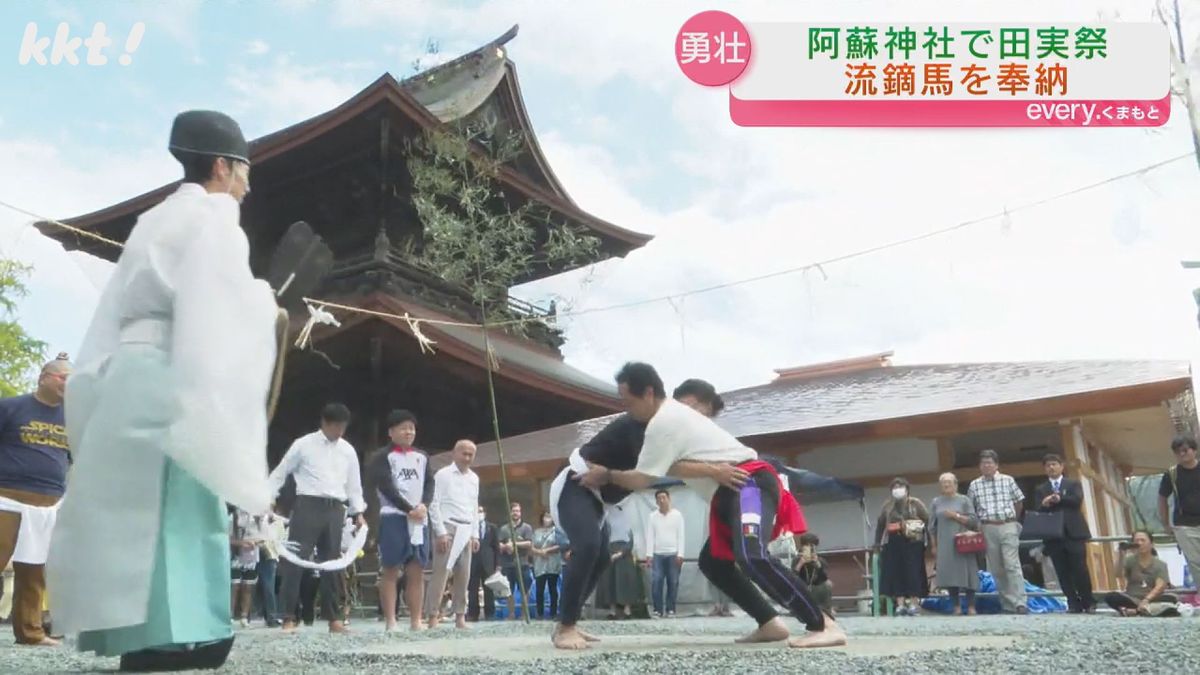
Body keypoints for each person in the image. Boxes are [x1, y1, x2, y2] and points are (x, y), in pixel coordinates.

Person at [48, 110, 278, 672]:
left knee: (131, 511)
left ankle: (139, 635)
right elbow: (212, 304)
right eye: (244, 169)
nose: (248, 183)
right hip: (173, 369)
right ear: (223, 166)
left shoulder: (154, 219)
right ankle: (181, 638)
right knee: (178, 507)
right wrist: (267, 304)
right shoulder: (217, 216)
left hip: (128, 374)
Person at [580, 362, 845, 649]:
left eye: (628, 402)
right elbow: (672, 466)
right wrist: (711, 470)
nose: (626, 409)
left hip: (748, 482)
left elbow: (642, 478)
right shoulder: (668, 421)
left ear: (648, 393)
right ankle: (769, 622)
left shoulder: (663, 423)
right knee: (713, 562)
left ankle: (823, 623)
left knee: (751, 556)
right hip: (726, 495)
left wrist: (606, 474)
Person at [546, 376, 732, 649]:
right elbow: (664, 467)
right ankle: (566, 627)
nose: (691, 418)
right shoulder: (649, 420)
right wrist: (716, 470)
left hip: (601, 502)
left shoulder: (681, 436)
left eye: (701, 417)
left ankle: (566, 621)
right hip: (578, 482)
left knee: (599, 557)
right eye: (690, 409)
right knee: (587, 545)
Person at [269, 403, 367, 634]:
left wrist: (358, 511)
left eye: (343, 427)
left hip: (336, 508)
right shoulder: (303, 445)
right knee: (295, 561)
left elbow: (354, 484)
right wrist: (269, 497)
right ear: (324, 423)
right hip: (308, 504)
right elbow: (281, 471)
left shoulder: (347, 450)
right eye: (335, 426)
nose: (339, 432)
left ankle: (334, 618)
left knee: (333, 563)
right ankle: (288, 617)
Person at [0, 353, 71, 647]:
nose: (69, 385)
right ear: (44, 377)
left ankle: (30, 632)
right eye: (63, 378)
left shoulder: (73, 416)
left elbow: (74, 456)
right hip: (7, 499)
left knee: (34, 571)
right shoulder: (11, 407)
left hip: (48, 503)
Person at [366, 410, 433, 632]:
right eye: (403, 428)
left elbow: (429, 484)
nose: (408, 432)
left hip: (419, 519)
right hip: (394, 517)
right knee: (391, 569)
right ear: (391, 432)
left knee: (416, 569)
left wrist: (424, 504)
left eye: (412, 428)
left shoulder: (422, 457)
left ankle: (416, 620)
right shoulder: (382, 457)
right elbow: (386, 486)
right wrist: (407, 508)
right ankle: (391, 621)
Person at [424, 439, 479, 630]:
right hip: (447, 526)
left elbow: (474, 507)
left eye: (471, 454)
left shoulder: (474, 478)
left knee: (464, 575)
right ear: (454, 453)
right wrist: (440, 532)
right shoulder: (443, 475)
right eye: (463, 453)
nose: (467, 457)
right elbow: (434, 503)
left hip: (466, 527)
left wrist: (475, 534)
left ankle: (460, 616)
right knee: (441, 573)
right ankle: (432, 615)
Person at [966, 449, 1028, 614]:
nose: (986, 466)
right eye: (983, 463)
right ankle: (1007, 603)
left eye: (989, 463)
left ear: (996, 464)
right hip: (987, 526)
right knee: (996, 567)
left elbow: (1018, 502)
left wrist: (1013, 520)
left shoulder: (1007, 480)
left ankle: (1020, 602)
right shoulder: (974, 485)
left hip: (1007, 523)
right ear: (979, 466)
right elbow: (971, 508)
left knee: (1012, 564)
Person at [1032, 453, 1094, 613]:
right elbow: (1037, 509)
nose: (1051, 467)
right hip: (1054, 535)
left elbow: (1077, 501)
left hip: (1074, 532)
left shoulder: (1072, 484)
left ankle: (1088, 601)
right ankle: (1073, 603)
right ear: (1045, 469)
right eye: (1048, 465)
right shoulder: (1041, 488)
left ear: (1061, 466)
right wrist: (1045, 503)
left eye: (1054, 464)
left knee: (1080, 569)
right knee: (1062, 571)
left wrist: (1059, 499)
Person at [873, 478, 929, 616]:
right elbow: (880, 525)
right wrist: (877, 543)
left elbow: (927, 520)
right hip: (893, 542)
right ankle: (900, 604)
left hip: (913, 542)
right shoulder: (887, 506)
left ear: (907, 488)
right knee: (896, 573)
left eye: (900, 486)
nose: (897, 489)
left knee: (913, 572)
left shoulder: (916, 503)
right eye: (894, 487)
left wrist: (929, 541)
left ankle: (914, 604)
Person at [928, 472, 979, 615]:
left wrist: (955, 516)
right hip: (944, 542)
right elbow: (931, 527)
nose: (946, 485)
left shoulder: (964, 500)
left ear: (955, 484)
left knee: (968, 573)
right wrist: (934, 545)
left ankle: (971, 606)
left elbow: (973, 521)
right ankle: (956, 606)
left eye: (949, 482)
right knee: (950, 575)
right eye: (943, 482)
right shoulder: (936, 502)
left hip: (963, 541)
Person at [1104, 530, 1180, 617]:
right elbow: (1118, 574)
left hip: (1152, 598)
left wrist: (1146, 600)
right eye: (1137, 541)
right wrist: (1121, 556)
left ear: (1151, 544)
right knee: (1111, 596)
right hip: (1132, 598)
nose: (1140, 543)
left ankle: (1135, 611)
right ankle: (1147, 610)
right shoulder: (1130, 560)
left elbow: (1160, 586)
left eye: (1143, 540)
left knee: (1172, 598)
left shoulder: (1160, 564)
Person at [1158, 435, 1200, 589]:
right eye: (1177, 452)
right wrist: (1165, 523)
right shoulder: (1171, 474)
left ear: (1194, 451)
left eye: (1185, 450)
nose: (1182, 454)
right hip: (1184, 525)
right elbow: (1162, 498)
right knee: (1195, 564)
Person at [595, 502, 642, 620]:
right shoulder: (605, 525)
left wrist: (620, 553)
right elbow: (602, 539)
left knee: (625, 583)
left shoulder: (628, 526)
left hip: (624, 556)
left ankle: (627, 610)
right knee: (609, 582)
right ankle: (612, 610)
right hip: (609, 553)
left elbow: (630, 542)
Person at [645, 489, 685, 618]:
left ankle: (671, 609)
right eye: (659, 498)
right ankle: (657, 609)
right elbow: (650, 536)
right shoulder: (652, 516)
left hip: (673, 553)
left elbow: (681, 535)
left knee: (673, 582)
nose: (662, 500)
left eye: (664, 497)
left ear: (669, 499)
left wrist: (681, 554)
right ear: (656, 501)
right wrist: (649, 555)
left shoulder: (677, 515)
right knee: (657, 581)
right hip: (657, 554)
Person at [497, 502, 535, 620]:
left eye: (518, 511)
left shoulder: (527, 528)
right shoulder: (504, 529)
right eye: (513, 511)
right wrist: (505, 547)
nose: (515, 513)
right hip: (508, 564)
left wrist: (514, 544)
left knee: (524, 590)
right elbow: (499, 544)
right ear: (510, 512)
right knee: (509, 590)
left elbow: (529, 543)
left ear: (520, 512)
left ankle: (524, 614)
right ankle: (511, 614)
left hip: (522, 563)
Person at [228, 507, 261, 628]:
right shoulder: (233, 518)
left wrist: (255, 542)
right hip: (236, 557)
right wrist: (241, 543)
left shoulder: (256, 518)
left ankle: (244, 616)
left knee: (248, 587)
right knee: (234, 586)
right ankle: (230, 615)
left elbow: (263, 536)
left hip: (252, 557)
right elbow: (228, 538)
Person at [467, 505, 500, 622]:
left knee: (489, 589)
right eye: (477, 512)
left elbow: (496, 547)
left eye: (481, 511)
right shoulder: (470, 528)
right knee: (472, 589)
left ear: (485, 513)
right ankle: (472, 614)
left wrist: (497, 565)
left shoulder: (492, 527)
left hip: (488, 562)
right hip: (473, 562)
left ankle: (490, 614)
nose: (479, 514)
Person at [531, 511, 563, 620]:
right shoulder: (536, 532)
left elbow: (560, 545)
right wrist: (540, 552)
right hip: (540, 564)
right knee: (539, 590)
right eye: (545, 516)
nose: (547, 519)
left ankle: (553, 613)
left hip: (552, 563)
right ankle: (539, 613)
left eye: (549, 517)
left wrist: (547, 551)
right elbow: (532, 546)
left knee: (552, 589)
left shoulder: (557, 531)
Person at [794, 534, 833, 615]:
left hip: (816, 588)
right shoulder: (797, 560)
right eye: (806, 546)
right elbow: (792, 578)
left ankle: (826, 610)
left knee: (827, 584)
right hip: (802, 587)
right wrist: (800, 564)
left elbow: (824, 579)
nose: (809, 549)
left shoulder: (820, 560)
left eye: (812, 547)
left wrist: (818, 564)